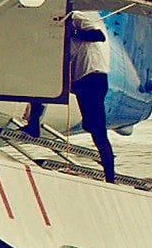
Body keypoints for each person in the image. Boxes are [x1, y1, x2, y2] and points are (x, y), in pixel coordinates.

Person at [24, 11, 115, 182]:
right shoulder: (61, 42)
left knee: (97, 130)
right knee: (41, 86)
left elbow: (98, 35)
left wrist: (70, 30)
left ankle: (110, 177)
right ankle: (33, 125)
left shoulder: (75, 17)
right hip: (82, 81)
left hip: (94, 78)